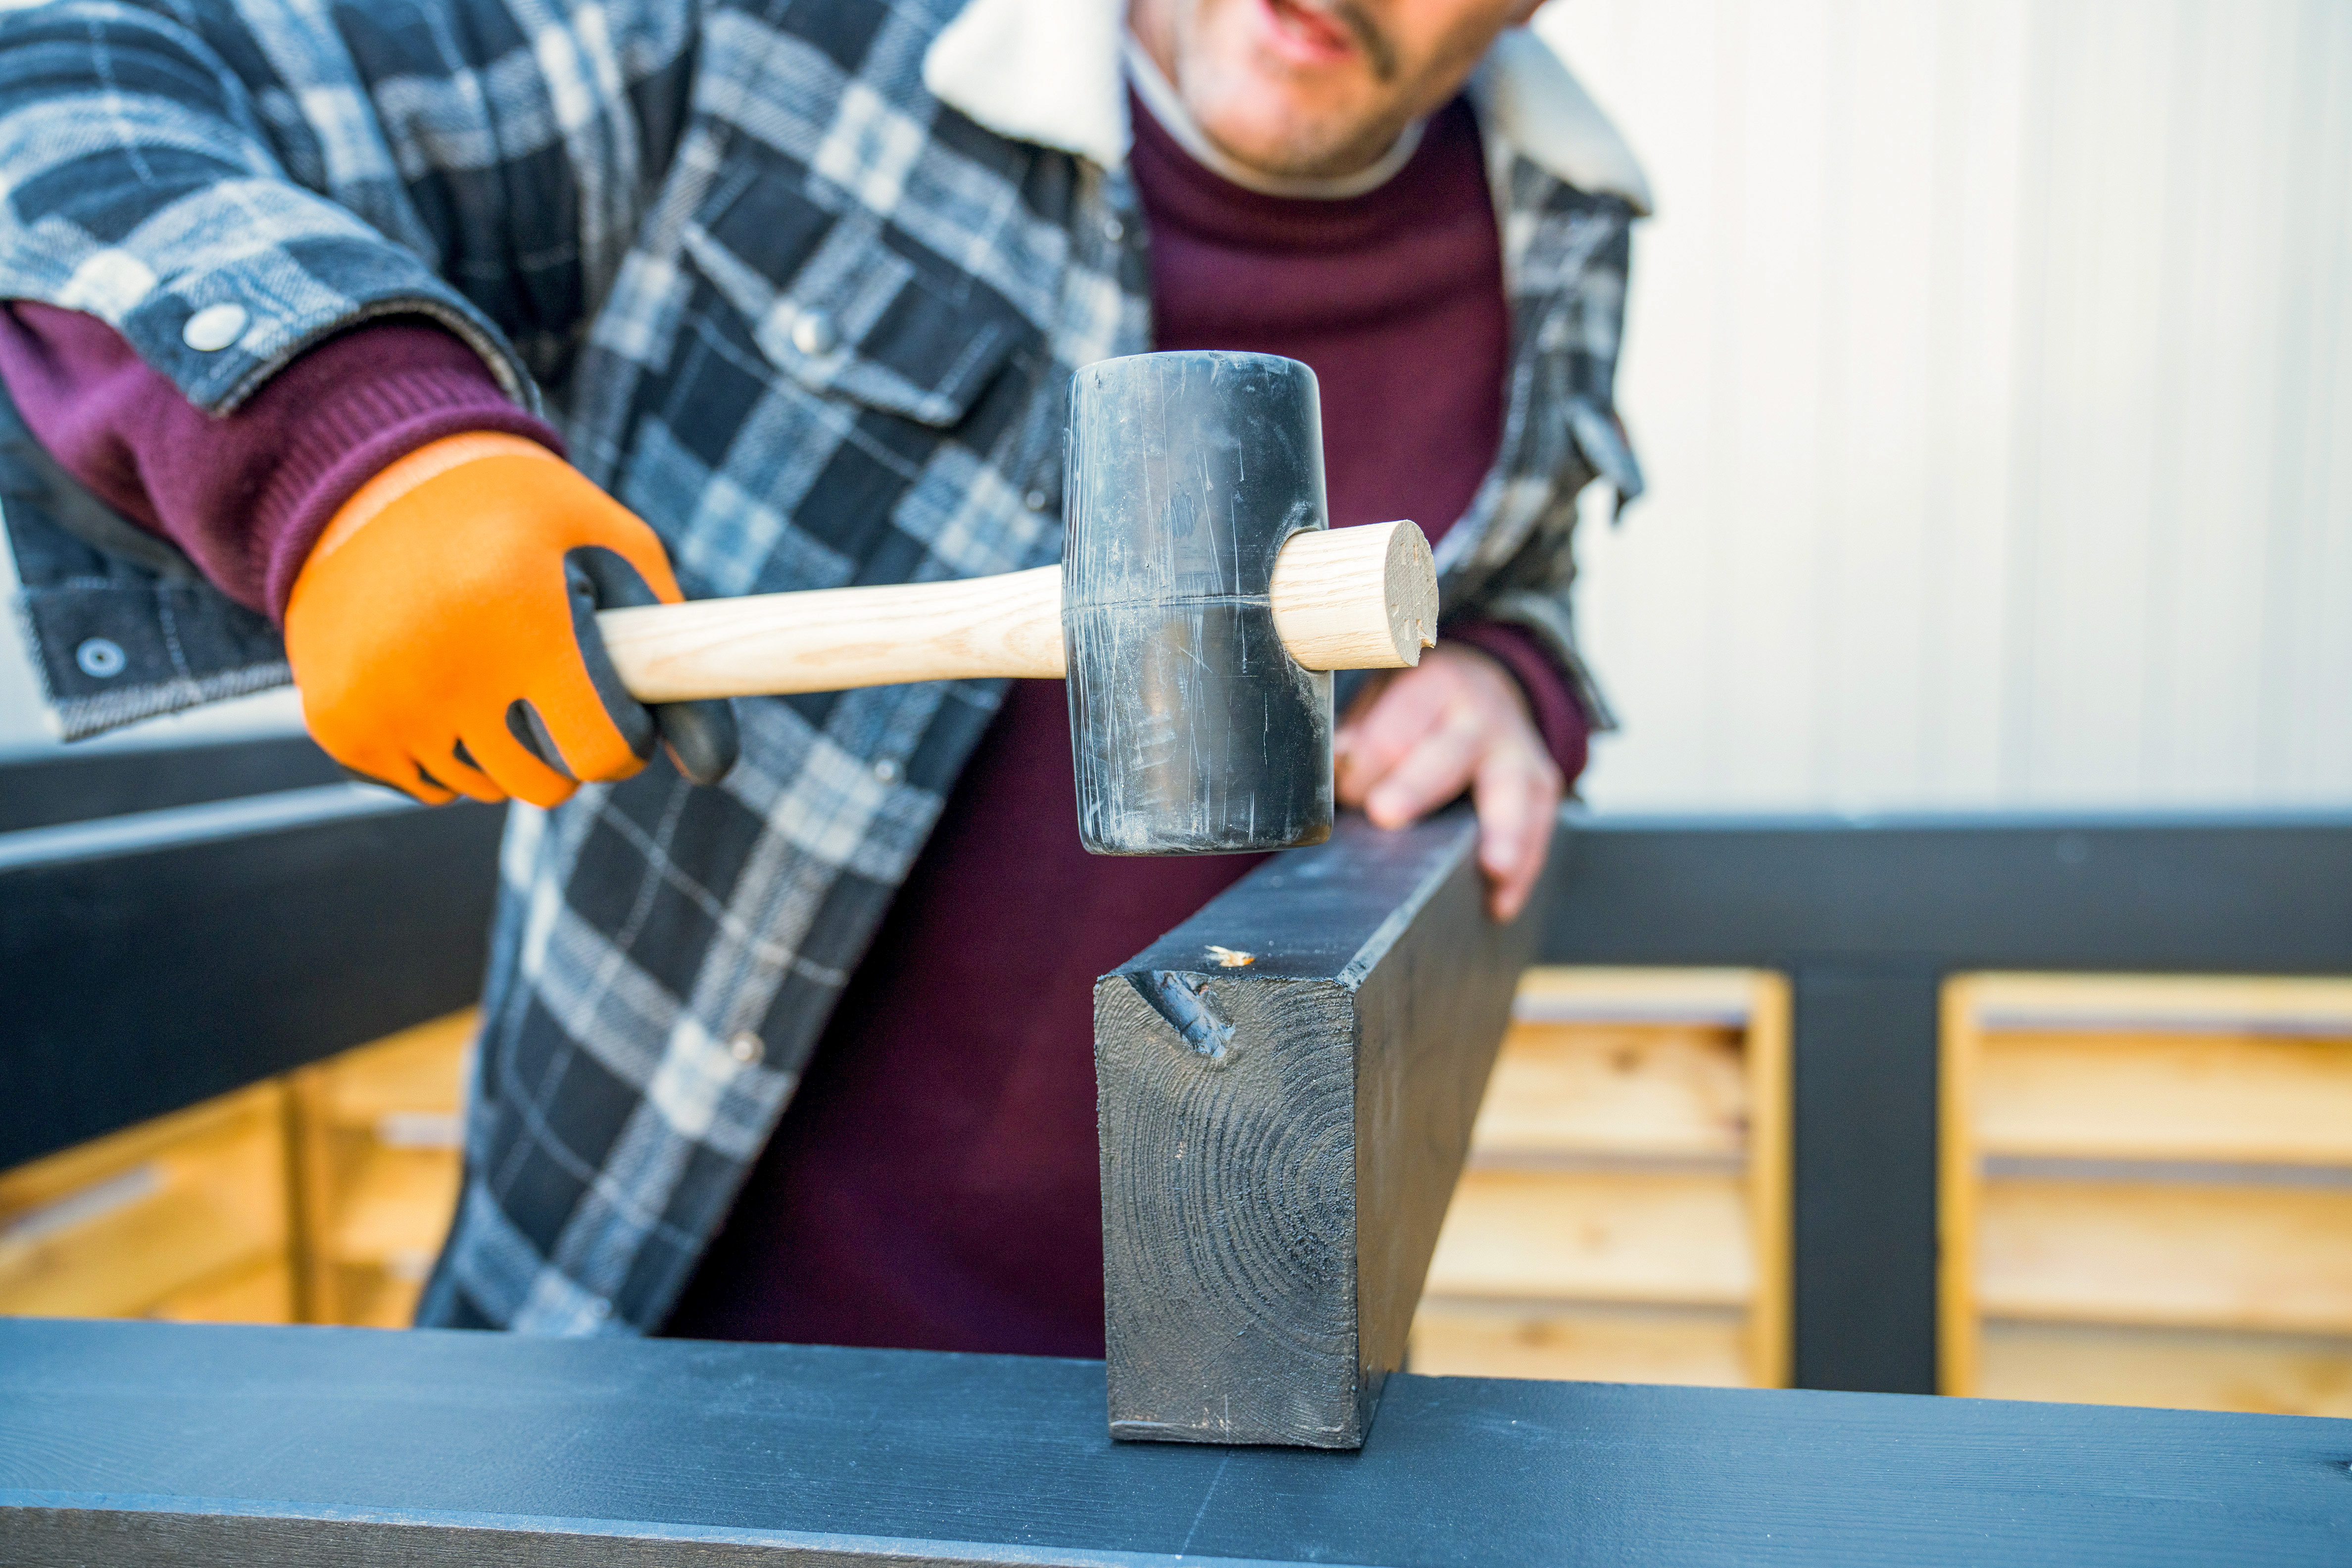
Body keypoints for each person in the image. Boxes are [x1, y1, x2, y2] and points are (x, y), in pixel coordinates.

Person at [0, 0, 1647, 1348]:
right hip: (633, 1345)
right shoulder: (770, 39)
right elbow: (67, 86)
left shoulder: (1555, 221)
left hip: (1225, 1393)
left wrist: (1511, 670)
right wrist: (358, 456)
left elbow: (1513, 562)